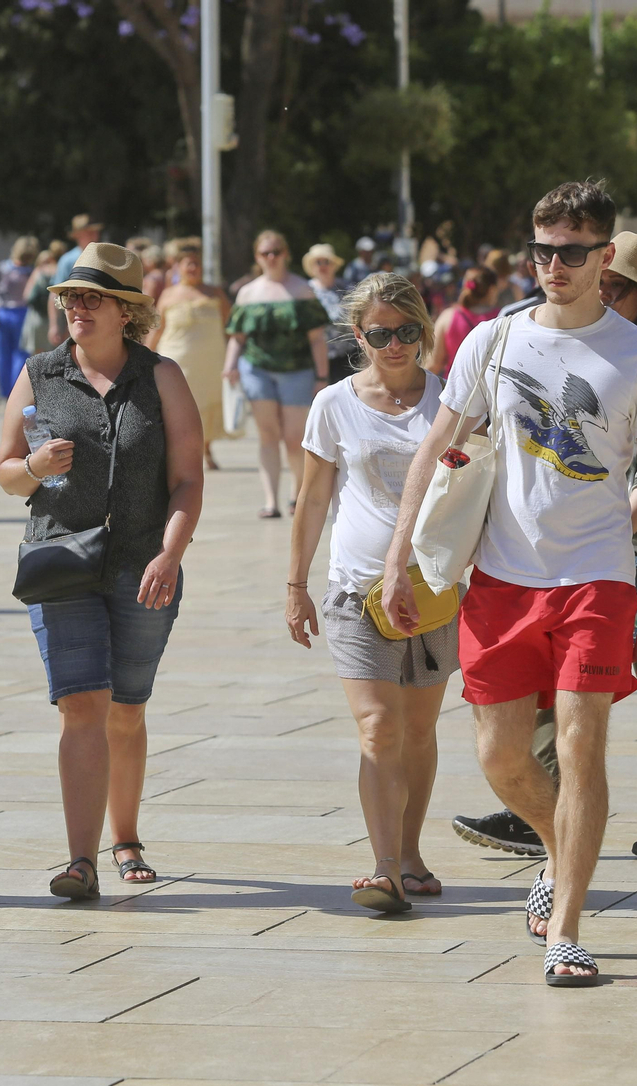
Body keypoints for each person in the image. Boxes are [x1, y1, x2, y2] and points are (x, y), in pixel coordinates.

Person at [381, 181, 637, 988]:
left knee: (582, 745)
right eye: (542, 250)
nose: (553, 265)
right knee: (501, 758)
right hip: (503, 579)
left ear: (605, 257)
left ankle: (569, 930)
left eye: (572, 252)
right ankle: (560, 852)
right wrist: (398, 553)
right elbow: (437, 446)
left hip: (598, 578)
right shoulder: (496, 340)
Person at [453, 232, 637, 862]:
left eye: (618, 287)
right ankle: (541, 810)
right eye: (599, 279)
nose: (602, 293)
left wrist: (598, 535)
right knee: (547, 691)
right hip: (577, 555)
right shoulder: (565, 345)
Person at [0, 242, 203, 900]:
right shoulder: (39, 374)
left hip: (144, 565)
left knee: (126, 710)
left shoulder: (161, 377)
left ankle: (127, 834)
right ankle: (80, 860)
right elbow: (3, 470)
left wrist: (171, 552)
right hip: (61, 559)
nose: (77, 308)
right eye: (70, 298)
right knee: (81, 706)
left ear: (126, 312)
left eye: (92, 298)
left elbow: (188, 480)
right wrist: (32, 470)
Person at [287, 272, 456, 912]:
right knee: (379, 728)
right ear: (358, 335)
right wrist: (296, 584)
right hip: (357, 588)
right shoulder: (333, 404)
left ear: (423, 329)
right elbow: (311, 501)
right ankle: (384, 867)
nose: (395, 344)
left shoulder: (451, 399)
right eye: (381, 333)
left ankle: (410, 854)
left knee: (418, 730)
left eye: (407, 331)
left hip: (435, 589)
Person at [223, 231, 330, 518]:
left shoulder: (302, 290)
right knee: (268, 434)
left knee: (295, 438)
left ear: (286, 254)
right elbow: (237, 336)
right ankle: (270, 501)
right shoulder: (248, 293)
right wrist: (230, 365)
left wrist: (321, 378)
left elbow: (317, 338)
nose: (271, 258)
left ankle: (297, 493)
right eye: (265, 253)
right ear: (257, 257)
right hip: (257, 369)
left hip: (298, 370)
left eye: (276, 252)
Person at [146, 238, 231, 472]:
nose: (192, 268)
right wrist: (145, 355)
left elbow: (229, 326)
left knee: (207, 403)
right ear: (179, 267)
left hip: (210, 360)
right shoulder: (169, 295)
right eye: (188, 264)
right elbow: (157, 329)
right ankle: (180, 453)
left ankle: (206, 449)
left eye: (196, 263)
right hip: (178, 359)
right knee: (180, 406)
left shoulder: (215, 293)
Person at [0, 236, 38, 398]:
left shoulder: (3, 268)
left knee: (3, 354)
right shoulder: (31, 271)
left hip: (2, 313)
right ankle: (17, 391)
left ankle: (5, 392)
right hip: (23, 313)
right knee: (20, 353)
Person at [428, 267, 498, 377]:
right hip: (492, 390)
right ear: (492, 290)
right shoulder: (502, 317)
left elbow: (433, 364)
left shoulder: (448, 317)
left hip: (456, 389)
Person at [302, 243, 356, 385]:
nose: (323, 266)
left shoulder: (347, 287)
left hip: (349, 357)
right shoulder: (305, 291)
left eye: (327, 261)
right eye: (318, 262)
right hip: (317, 359)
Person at [49, 214, 102, 347]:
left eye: (95, 231)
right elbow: (55, 293)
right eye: (89, 232)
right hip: (75, 319)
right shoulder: (68, 260)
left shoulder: (104, 257)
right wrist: (54, 325)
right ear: (78, 235)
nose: (94, 235)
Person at [21, 240, 66, 359]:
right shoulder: (61, 270)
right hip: (58, 318)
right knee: (56, 357)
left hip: (37, 319)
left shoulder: (39, 270)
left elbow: (26, 295)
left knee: (37, 360)